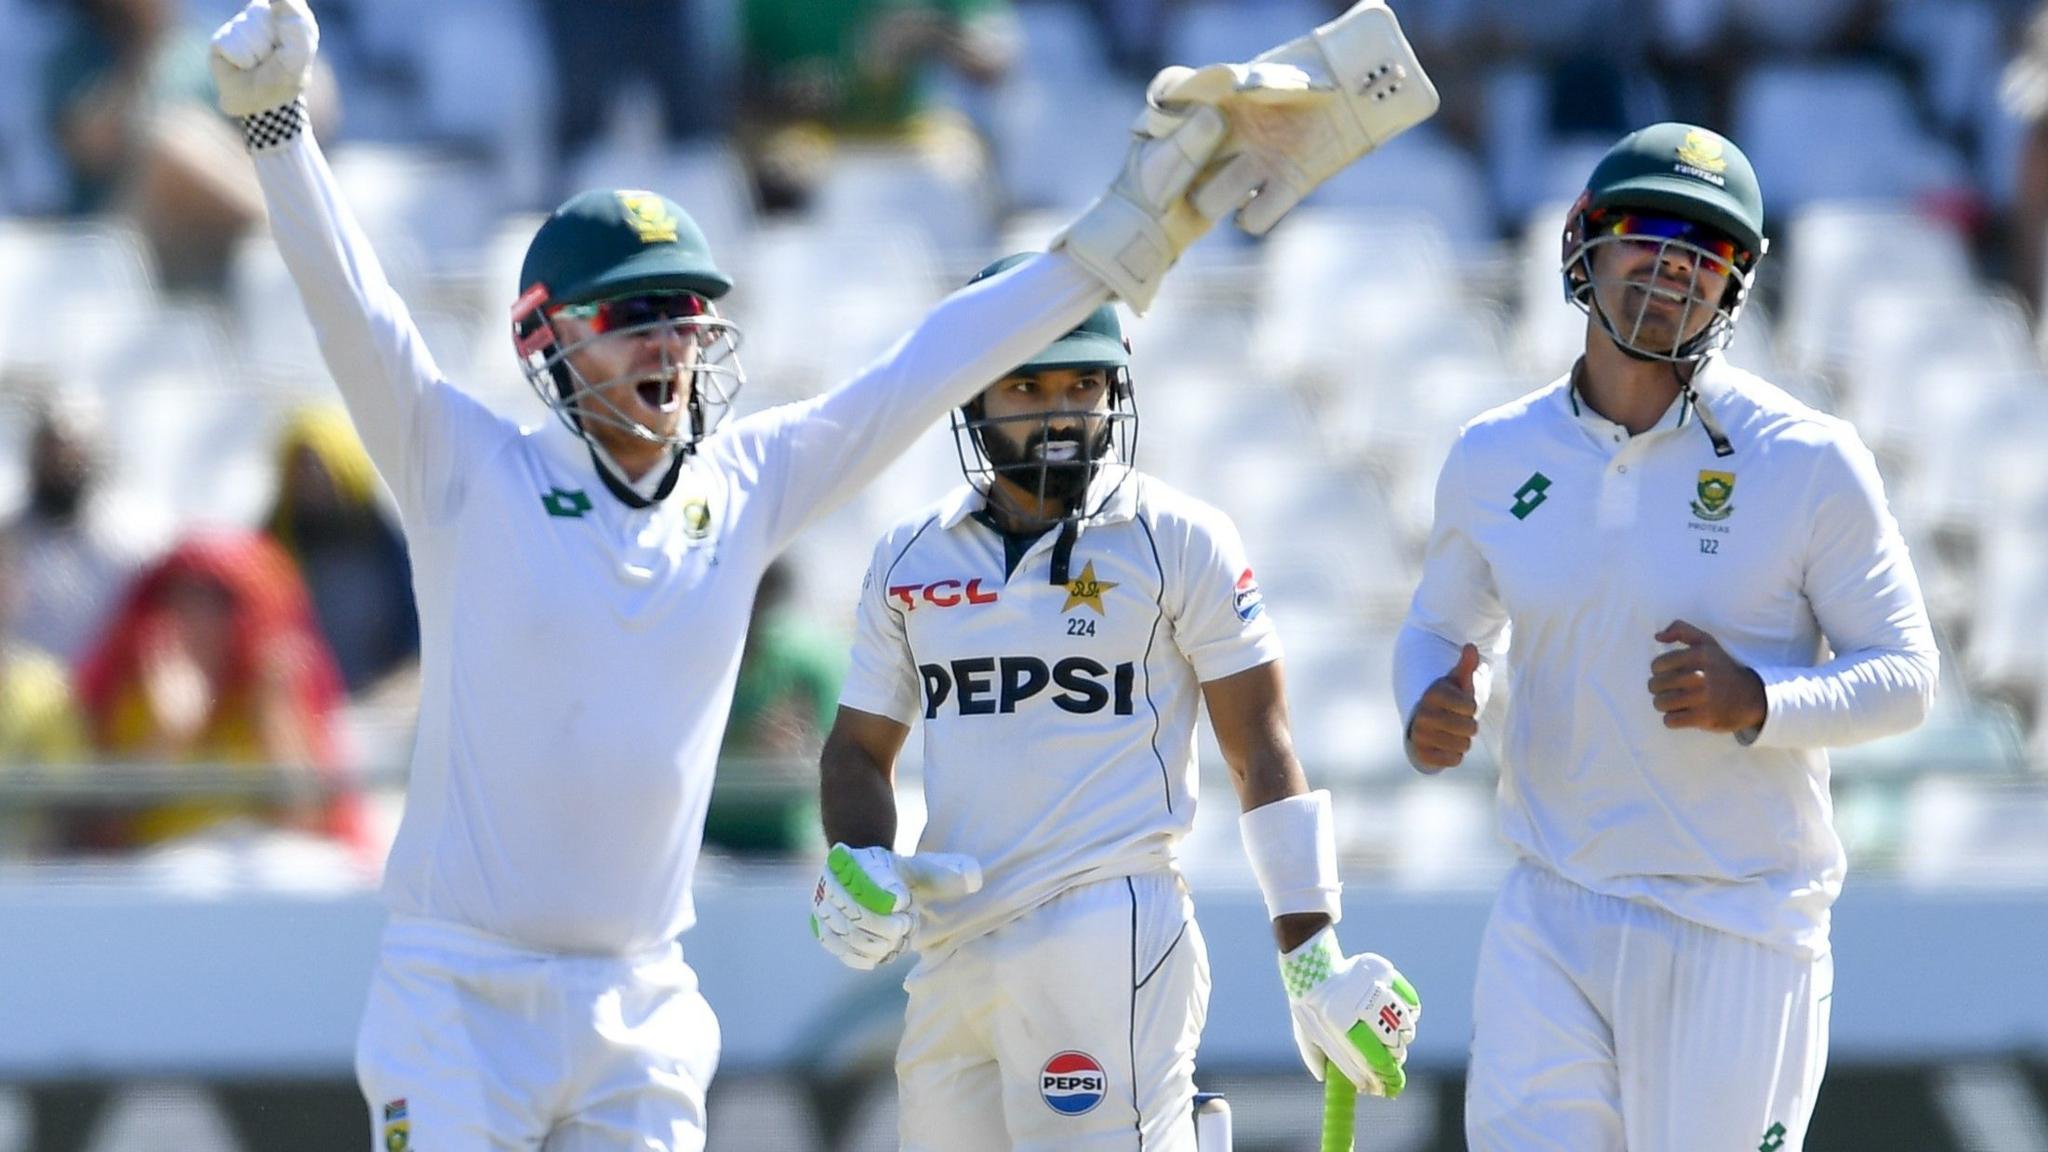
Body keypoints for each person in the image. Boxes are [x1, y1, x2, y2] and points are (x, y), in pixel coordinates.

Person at [206, 0, 1430, 1146]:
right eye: (633, 316)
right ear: (547, 341)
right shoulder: (461, 469)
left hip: (639, 998)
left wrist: (1131, 226)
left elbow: (925, 367)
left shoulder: (737, 485)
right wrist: (275, 133)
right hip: (454, 990)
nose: (672, 342)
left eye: (684, 313)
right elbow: (352, 315)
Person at [1395, 123, 1939, 1151]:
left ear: (1735, 284)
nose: (1674, 266)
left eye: (1709, 250)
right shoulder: (1493, 453)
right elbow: (1437, 626)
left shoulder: (1807, 461)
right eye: (1648, 230)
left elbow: (1906, 676)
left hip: (1735, 922)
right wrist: (1425, 701)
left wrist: (1759, 702)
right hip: (1547, 908)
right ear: (1581, 241)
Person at [807, 253, 1420, 1150]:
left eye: (1084, 383)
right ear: (973, 393)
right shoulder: (911, 556)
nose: (1061, 411)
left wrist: (1311, 954)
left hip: (1106, 928)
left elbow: (1260, 747)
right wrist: (857, 860)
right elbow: (858, 749)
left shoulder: (1179, 539)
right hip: (951, 943)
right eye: (1027, 384)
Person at [70, 530, 368, 856]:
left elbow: (304, 822)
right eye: (181, 598)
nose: (197, 617)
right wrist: (170, 733)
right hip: (163, 875)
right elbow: (102, 837)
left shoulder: (276, 690)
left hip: (261, 872)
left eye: (218, 601)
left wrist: (273, 714)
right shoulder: (131, 694)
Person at [262, 404, 418, 698]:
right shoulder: (270, 547)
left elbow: (417, 619)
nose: (311, 477)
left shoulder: (383, 543)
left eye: (319, 464)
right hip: (301, 706)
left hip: (382, 705)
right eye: (301, 466)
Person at [705, 559, 843, 855]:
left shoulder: (809, 662)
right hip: (703, 841)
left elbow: (845, 758)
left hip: (785, 842)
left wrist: (800, 748)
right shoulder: (694, 659)